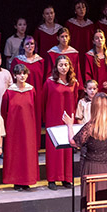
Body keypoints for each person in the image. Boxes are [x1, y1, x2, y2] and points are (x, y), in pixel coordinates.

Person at [42, 55, 78, 189]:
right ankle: (52, 179)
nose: (64, 67)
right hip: (53, 118)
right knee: (53, 149)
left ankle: (66, 178)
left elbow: (74, 100)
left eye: (66, 65)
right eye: (61, 65)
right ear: (56, 67)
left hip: (67, 119)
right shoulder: (49, 82)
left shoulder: (73, 82)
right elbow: (44, 101)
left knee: (67, 148)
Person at [1, 64, 40, 190]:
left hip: (28, 127)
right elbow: (4, 111)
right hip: (14, 129)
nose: (22, 76)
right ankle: (16, 181)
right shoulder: (9, 92)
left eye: (24, 73)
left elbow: (35, 109)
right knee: (16, 153)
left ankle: (27, 180)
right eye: (19, 74)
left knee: (27, 154)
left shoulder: (31, 90)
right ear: (14, 75)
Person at [10, 36, 45, 124]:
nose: (30, 46)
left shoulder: (40, 61)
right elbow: (12, 78)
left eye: (32, 44)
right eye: (27, 44)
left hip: (37, 94)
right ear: (23, 46)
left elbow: (44, 79)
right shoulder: (17, 61)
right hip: (20, 93)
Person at [85, 29, 107, 101]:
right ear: (93, 41)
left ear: (105, 39)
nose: (99, 40)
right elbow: (87, 74)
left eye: (101, 37)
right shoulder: (90, 56)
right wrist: (92, 88)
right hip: (95, 90)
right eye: (97, 38)